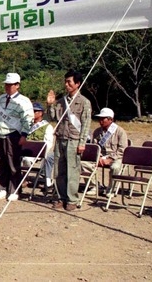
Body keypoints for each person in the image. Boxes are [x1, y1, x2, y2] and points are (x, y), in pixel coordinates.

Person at [46, 69, 92, 212]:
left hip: (74, 140)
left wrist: (82, 143)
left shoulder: (84, 102)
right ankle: (61, 197)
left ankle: (72, 199)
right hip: (60, 139)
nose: (66, 84)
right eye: (65, 82)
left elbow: (86, 124)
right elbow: (52, 118)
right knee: (59, 171)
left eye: (69, 82)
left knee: (72, 170)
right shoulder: (61, 101)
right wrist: (50, 104)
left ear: (77, 84)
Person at [0, 73, 34, 201]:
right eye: (6, 84)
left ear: (17, 85)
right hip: (0, 134)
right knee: (1, 163)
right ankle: (3, 188)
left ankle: (14, 190)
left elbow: (28, 119)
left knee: (13, 163)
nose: (8, 87)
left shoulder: (24, 101)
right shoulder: (1, 99)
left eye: (11, 84)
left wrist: (24, 135)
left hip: (13, 134)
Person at [82, 107, 128, 196]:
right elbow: (94, 147)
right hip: (101, 157)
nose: (100, 121)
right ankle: (95, 186)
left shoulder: (120, 131)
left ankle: (111, 189)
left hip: (116, 157)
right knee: (83, 163)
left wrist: (110, 159)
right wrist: (98, 157)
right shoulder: (97, 132)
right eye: (99, 118)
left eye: (103, 119)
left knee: (115, 167)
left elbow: (123, 149)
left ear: (110, 119)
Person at [22, 102, 55, 191]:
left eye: (35, 111)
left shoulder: (47, 127)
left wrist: (40, 152)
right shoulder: (26, 125)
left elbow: (48, 143)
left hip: (37, 152)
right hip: (24, 150)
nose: (32, 113)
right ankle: (22, 179)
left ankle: (46, 181)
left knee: (27, 160)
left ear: (40, 113)